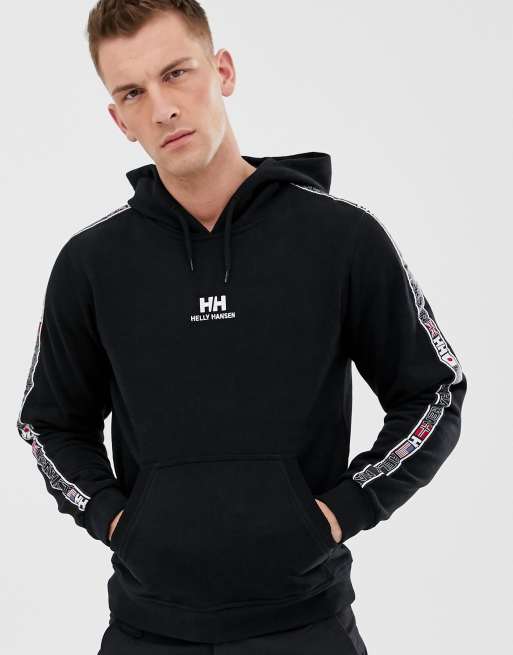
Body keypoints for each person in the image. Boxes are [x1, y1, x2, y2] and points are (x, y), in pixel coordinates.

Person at [16, 1, 467, 653]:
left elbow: (433, 391)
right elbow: (49, 422)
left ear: (222, 71)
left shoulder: (340, 238)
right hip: (147, 630)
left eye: (177, 73)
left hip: (306, 627)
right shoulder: (91, 264)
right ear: (119, 119)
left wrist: (340, 511)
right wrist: (117, 520)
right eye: (133, 92)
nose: (162, 108)